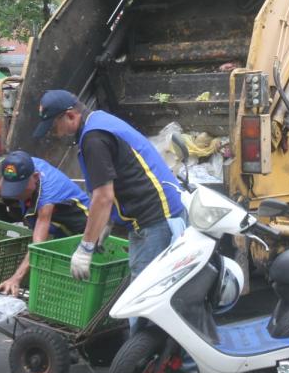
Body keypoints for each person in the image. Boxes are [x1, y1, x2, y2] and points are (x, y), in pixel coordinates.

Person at [32, 90, 186, 291]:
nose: (54, 132)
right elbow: (122, 176)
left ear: (70, 115)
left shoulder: (94, 138)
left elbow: (103, 196)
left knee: (143, 295)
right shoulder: (98, 120)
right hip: (160, 213)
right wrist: (107, 222)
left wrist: (85, 248)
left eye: (54, 125)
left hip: (155, 218)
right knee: (156, 291)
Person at [0, 150, 91, 295]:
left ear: (36, 177)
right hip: (55, 221)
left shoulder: (48, 197)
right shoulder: (20, 166)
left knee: (68, 268)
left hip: (79, 222)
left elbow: (38, 245)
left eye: (20, 188)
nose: (16, 193)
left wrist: (15, 279)